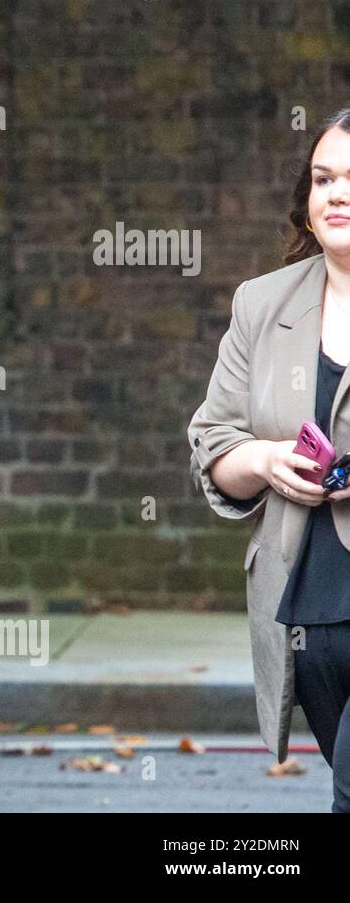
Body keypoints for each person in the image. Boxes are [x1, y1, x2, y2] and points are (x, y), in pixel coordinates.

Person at [189, 106, 350, 812]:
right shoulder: (262, 303)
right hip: (307, 608)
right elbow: (215, 444)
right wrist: (265, 459)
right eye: (323, 179)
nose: (336, 194)